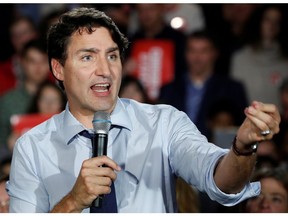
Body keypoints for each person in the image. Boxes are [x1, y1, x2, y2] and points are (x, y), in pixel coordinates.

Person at [7, 7, 281, 213]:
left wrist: (243, 149)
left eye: (112, 56)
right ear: (58, 69)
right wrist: (73, 201)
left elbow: (222, 182)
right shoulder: (32, 148)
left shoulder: (164, 123)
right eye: (88, 57)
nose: (105, 71)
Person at [160, 30, 248, 138]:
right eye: (192, 51)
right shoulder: (169, 89)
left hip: (217, 151)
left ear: (214, 53)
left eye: (203, 51)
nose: (197, 57)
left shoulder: (232, 89)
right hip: (174, 151)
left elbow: (242, 128)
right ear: (185, 54)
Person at [230, 4, 288, 108]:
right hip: (247, 121)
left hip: (278, 122)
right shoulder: (240, 58)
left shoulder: (285, 61)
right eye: (268, 20)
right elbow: (234, 99)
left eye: (277, 21)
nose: (272, 25)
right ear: (258, 22)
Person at [0, 39, 50, 153]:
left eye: (43, 61)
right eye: (32, 61)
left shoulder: (64, 97)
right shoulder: (8, 101)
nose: (38, 67)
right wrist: (8, 148)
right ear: (22, 63)